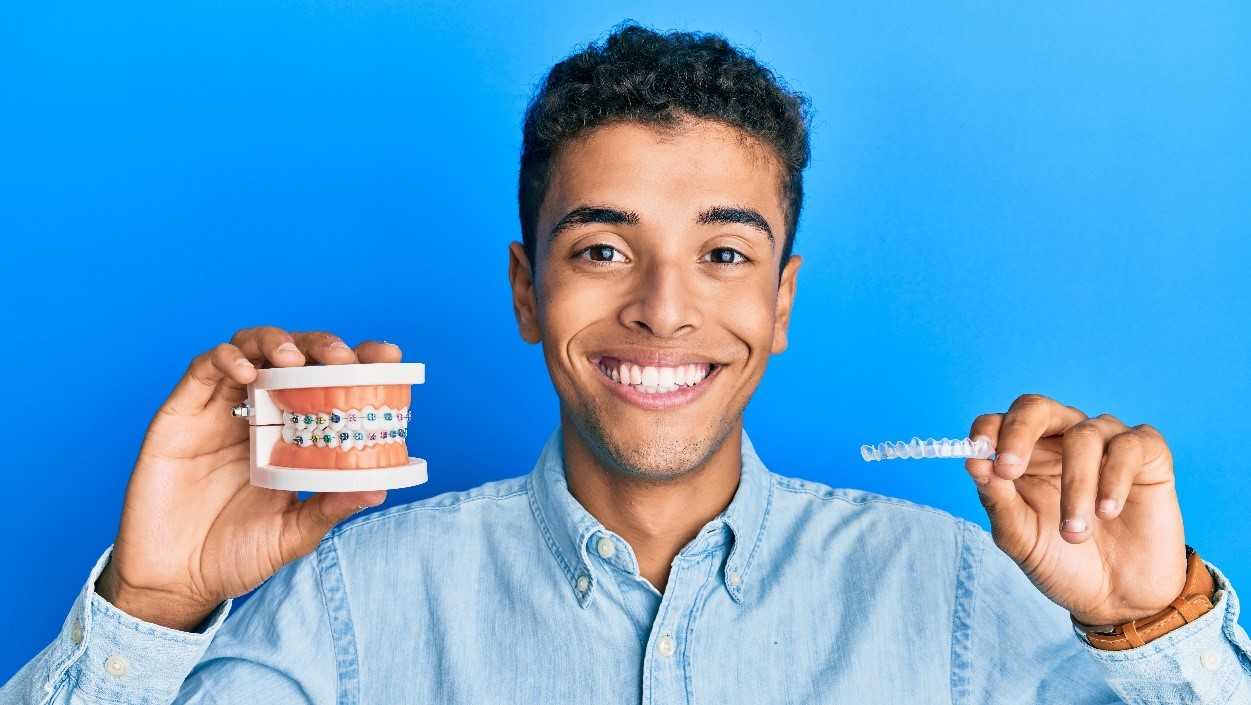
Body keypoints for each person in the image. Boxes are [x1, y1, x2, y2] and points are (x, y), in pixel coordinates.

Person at [4, 22, 1249, 705]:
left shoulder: (968, 598)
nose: (662, 309)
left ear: (780, 303)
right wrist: (154, 605)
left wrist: (1154, 626)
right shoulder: (351, 610)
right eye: (603, 248)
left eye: (722, 253)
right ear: (525, 292)